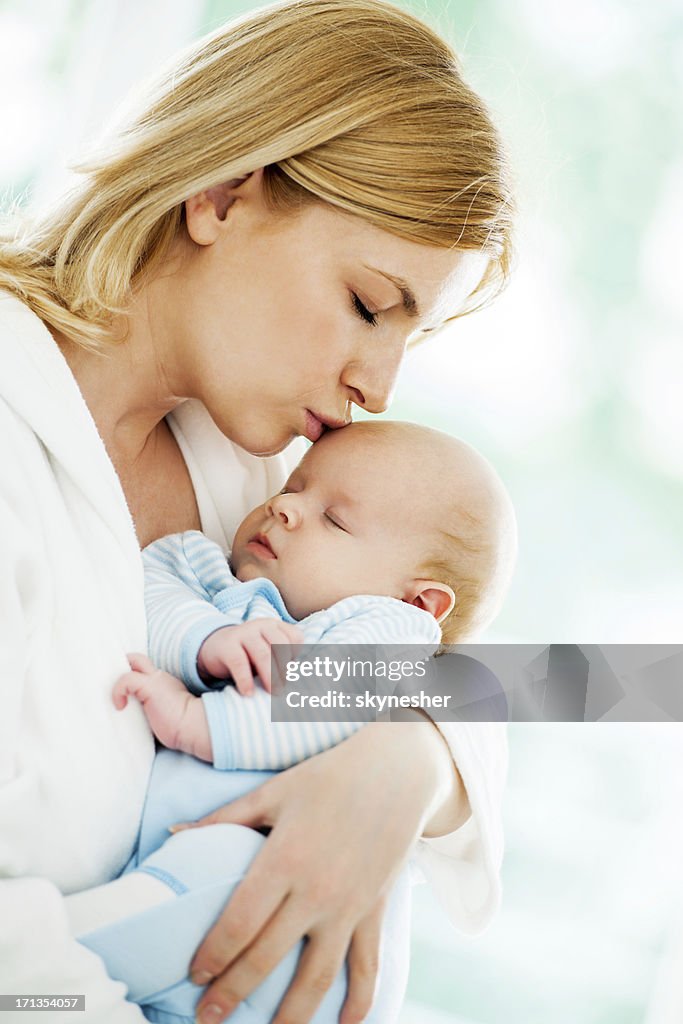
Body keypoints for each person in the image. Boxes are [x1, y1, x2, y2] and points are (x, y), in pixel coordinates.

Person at [0, 1, 513, 1022]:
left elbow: (556, 684)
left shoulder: (272, 482)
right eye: (370, 306)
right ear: (224, 194)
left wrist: (400, 760)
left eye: (410, 335)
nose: (379, 384)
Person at [70, 419, 515, 1024]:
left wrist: (202, 723)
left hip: (277, 917)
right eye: (296, 485)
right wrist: (208, 638)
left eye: (335, 519)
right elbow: (153, 584)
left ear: (417, 602)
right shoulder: (213, 572)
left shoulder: (385, 631)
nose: (283, 506)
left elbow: (317, 707)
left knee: (84, 953)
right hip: (190, 907)